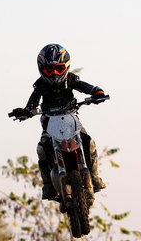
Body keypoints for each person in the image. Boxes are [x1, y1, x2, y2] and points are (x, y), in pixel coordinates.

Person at [13, 43, 107, 200]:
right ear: (41, 69)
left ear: (66, 66)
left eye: (58, 69)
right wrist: (26, 110)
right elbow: (33, 101)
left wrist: (96, 92)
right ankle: (48, 185)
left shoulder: (70, 79)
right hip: (49, 119)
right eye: (49, 70)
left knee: (89, 142)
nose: (54, 74)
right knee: (42, 149)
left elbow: (83, 86)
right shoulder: (41, 85)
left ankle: (95, 177)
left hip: (71, 117)